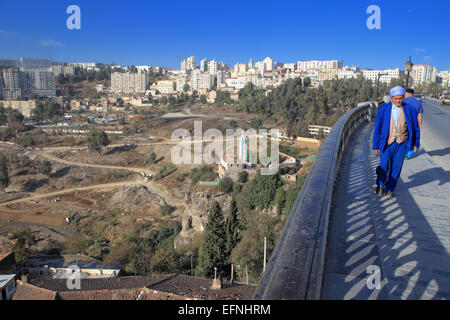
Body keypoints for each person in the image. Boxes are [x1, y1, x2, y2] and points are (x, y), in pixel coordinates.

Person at [372, 86, 420, 196]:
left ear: (403, 98)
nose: (398, 101)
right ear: (391, 98)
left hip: (402, 143)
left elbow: (415, 128)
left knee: (396, 167)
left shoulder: (409, 109)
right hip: (386, 143)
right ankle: (379, 184)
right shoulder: (383, 110)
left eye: (400, 98)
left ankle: (389, 188)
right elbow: (377, 128)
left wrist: (416, 144)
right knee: (383, 165)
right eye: (396, 98)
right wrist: (375, 145)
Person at [404, 88, 424, 158]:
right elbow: (420, 115)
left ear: (409, 94)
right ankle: (409, 154)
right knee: (412, 137)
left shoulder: (403, 101)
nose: (404, 95)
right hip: (413, 123)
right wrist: (420, 124)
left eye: (405, 93)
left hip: (404, 122)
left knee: (404, 137)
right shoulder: (418, 103)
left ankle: (403, 152)